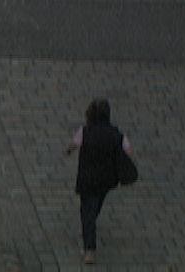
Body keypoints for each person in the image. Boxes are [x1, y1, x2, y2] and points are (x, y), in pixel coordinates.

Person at [64, 98, 134, 263]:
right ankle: (90, 224)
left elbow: (73, 144)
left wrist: (67, 151)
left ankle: (90, 249)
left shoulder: (85, 131)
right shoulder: (117, 134)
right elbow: (129, 152)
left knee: (87, 210)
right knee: (96, 205)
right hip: (106, 179)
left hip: (87, 178)